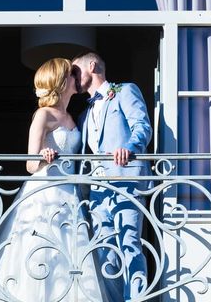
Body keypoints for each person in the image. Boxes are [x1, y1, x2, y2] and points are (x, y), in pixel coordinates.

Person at [0, 58, 108, 302]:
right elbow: (30, 165)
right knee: (41, 257)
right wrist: (44, 157)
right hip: (45, 194)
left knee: (72, 258)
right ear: (63, 82)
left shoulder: (73, 118)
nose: (77, 77)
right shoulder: (43, 115)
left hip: (70, 196)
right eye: (72, 74)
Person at [72, 51, 152, 301]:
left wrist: (130, 148)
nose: (73, 77)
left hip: (125, 181)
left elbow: (142, 126)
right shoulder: (84, 114)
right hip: (97, 191)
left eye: (76, 71)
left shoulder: (125, 91)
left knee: (130, 245)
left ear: (92, 66)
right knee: (104, 253)